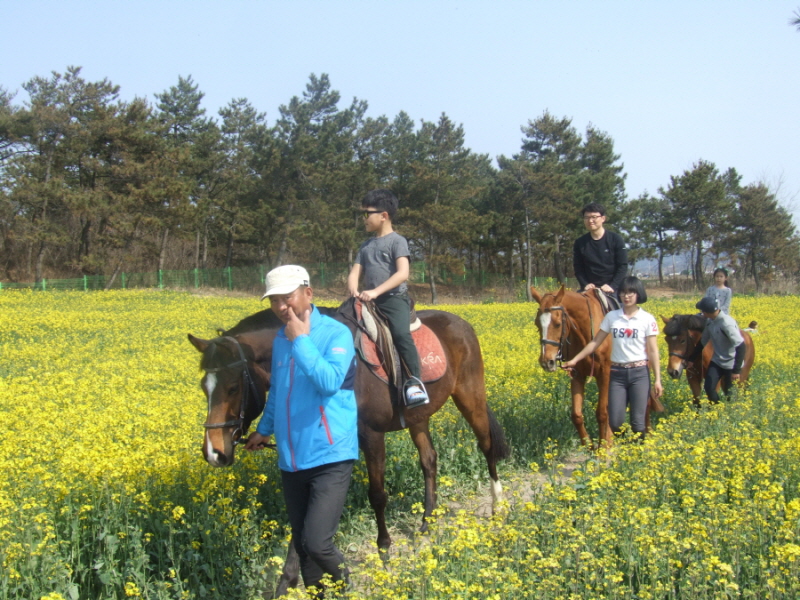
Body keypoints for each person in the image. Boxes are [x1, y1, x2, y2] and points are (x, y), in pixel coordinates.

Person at [245, 265, 358, 596]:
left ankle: (346, 586)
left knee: (317, 542)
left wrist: (302, 341)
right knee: (304, 546)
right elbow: (278, 392)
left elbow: (329, 382)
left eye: (287, 297)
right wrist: (264, 430)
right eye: (274, 301)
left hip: (330, 454)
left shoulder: (335, 334)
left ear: (308, 293)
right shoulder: (281, 340)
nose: (281, 307)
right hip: (291, 459)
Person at [346, 189, 429, 407]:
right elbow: (355, 273)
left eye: (367, 214)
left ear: (383, 215)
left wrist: (375, 291)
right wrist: (353, 289)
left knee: (401, 334)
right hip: (368, 301)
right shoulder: (366, 245)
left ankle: (414, 383)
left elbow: (403, 273)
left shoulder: (397, 241)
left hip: (393, 300)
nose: (364, 219)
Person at [561, 276, 662, 439]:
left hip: (639, 373)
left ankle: (637, 450)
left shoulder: (647, 319)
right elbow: (595, 342)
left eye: (631, 293)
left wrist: (657, 379)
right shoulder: (612, 317)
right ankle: (626, 445)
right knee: (615, 423)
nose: (626, 296)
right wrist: (574, 360)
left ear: (638, 294)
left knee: (638, 424)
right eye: (623, 292)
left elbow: (653, 351)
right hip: (617, 374)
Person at [689, 296, 745, 403]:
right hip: (717, 361)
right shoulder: (710, 321)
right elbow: (703, 342)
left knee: (729, 393)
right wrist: (691, 359)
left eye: (702, 311)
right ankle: (717, 407)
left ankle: (727, 409)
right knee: (709, 388)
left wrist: (736, 370)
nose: (701, 313)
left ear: (707, 312)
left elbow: (741, 345)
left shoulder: (726, 324)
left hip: (731, 363)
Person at [573, 203, 628, 298]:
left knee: (620, 306)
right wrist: (585, 284)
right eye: (586, 217)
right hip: (589, 289)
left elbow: (622, 266)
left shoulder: (616, 239)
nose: (590, 220)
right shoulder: (580, 243)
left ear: (603, 218)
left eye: (594, 217)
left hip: (612, 289)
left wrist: (612, 286)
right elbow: (578, 268)